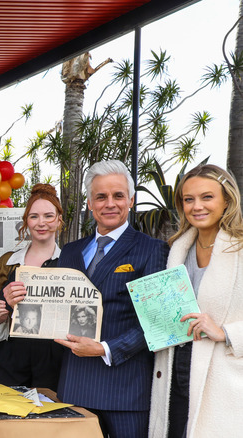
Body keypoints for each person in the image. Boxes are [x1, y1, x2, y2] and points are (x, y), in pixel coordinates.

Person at [55, 160, 168, 438]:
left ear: (130, 200)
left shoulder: (153, 250)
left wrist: (105, 349)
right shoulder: (70, 251)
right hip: (75, 385)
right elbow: (55, 309)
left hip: (126, 390)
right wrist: (18, 298)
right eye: (101, 196)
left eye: (118, 195)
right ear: (90, 204)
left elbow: (158, 322)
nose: (110, 203)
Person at [149, 165, 243, 438]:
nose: (196, 206)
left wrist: (226, 332)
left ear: (227, 199)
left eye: (207, 197)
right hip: (174, 367)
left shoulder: (240, 248)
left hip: (223, 376)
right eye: (188, 199)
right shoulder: (177, 248)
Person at [0, 183, 64, 390]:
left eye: (48, 216)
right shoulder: (7, 263)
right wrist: (0, 313)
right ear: (26, 221)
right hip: (11, 358)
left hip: (55, 361)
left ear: (59, 219)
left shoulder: (71, 262)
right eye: (34, 216)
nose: (41, 223)